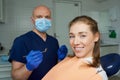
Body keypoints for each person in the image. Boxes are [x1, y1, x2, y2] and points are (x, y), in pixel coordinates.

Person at [8, 5, 67, 80]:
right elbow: (16, 77)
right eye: (39, 17)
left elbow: (56, 68)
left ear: (50, 19)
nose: (44, 20)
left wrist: (60, 60)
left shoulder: (53, 41)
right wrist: (28, 67)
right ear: (32, 20)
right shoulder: (21, 41)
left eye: (47, 17)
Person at [42, 15, 108, 80]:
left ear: (96, 37)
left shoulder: (97, 75)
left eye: (83, 35)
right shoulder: (68, 59)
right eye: (72, 36)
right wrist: (60, 61)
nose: (75, 42)